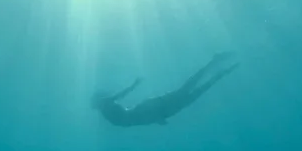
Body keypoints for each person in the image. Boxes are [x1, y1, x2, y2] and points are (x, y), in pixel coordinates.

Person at [92, 52, 239, 127]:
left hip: (153, 111)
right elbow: (122, 98)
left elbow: (132, 116)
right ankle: (218, 69)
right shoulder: (105, 105)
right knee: (190, 94)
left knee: (189, 92)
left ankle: (216, 66)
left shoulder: (107, 110)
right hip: (155, 111)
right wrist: (133, 86)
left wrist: (134, 86)